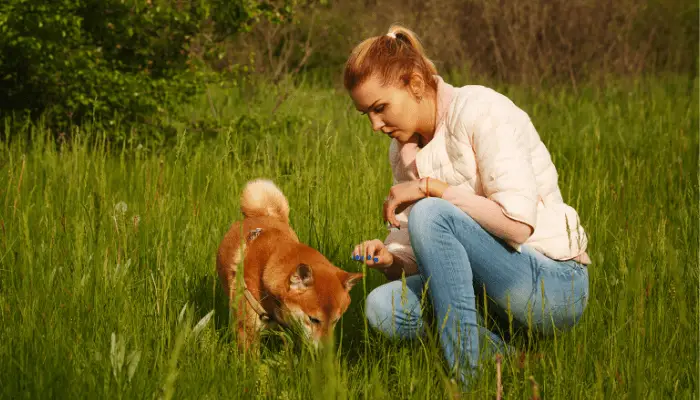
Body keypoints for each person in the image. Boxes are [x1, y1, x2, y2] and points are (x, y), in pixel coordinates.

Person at [344, 25, 591, 385]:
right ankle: (508, 360)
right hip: (485, 289)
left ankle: (466, 379)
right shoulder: (403, 152)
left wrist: (432, 188)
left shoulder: (480, 109)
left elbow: (518, 225)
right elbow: (429, 257)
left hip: (550, 284)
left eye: (380, 108)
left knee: (430, 211)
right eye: (366, 113)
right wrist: (390, 260)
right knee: (383, 308)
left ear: (414, 82)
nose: (374, 124)